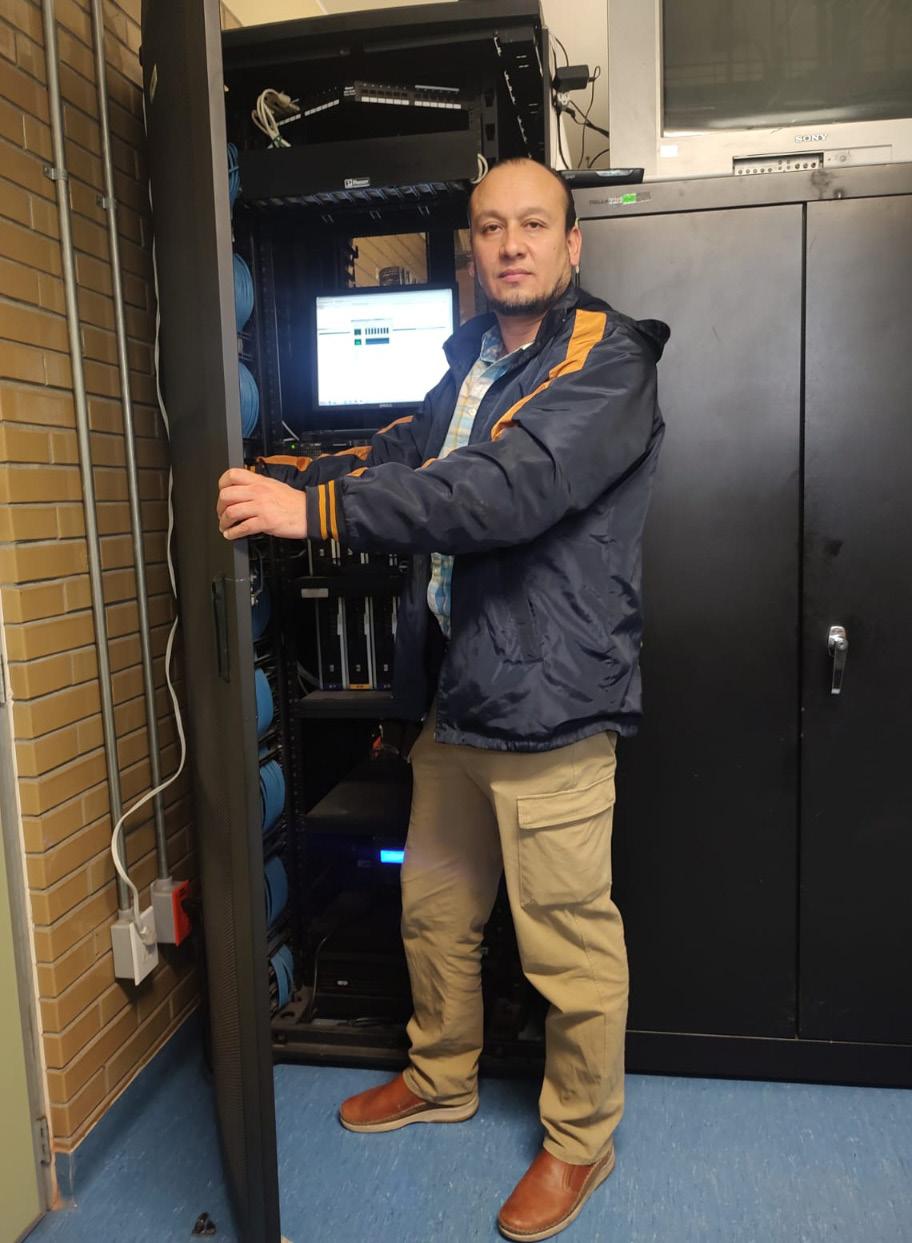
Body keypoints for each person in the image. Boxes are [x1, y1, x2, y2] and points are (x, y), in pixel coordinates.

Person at [216, 157, 668, 1242]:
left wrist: (315, 516)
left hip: (551, 704)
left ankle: (580, 1137)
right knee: (433, 911)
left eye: (533, 225)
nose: (510, 245)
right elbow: (404, 454)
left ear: (572, 245)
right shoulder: (471, 365)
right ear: (472, 249)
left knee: (567, 945)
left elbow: (503, 490)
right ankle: (442, 1073)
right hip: (459, 697)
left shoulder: (608, 359)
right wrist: (294, 475)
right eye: (490, 227)